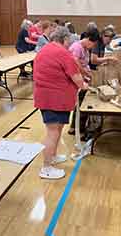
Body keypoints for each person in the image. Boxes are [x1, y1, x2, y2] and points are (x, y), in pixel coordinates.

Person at [33, 26, 88, 179]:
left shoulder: (45, 49)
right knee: (53, 132)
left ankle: (52, 157)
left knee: (57, 129)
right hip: (54, 99)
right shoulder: (63, 53)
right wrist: (84, 85)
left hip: (49, 97)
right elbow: (76, 78)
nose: (69, 44)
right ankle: (46, 167)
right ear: (64, 39)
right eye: (68, 42)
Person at [68, 29, 99, 135]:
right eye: (93, 44)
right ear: (89, 40)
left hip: (84, 78)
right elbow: (75, 63)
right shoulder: (77, 47)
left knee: (84, 101)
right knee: (81, 102)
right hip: (78, 79)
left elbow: (85, 63)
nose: (93, 47)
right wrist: (86, 73)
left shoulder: (85, 48)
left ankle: (80, 125)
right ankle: (75, 127)